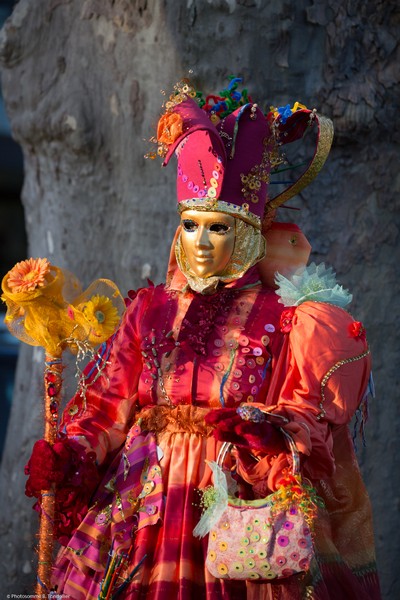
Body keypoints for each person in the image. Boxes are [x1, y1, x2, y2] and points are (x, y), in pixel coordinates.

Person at [25, 78, 381, 599]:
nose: (200, 241)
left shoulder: (285, 316)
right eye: (191, 225)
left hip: (231, 499)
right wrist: (72, 452)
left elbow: (304, 413)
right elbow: (107, 407)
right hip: (139, 505)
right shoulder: (148, 311)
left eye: (218, 228)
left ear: (247, 236)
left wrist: (266, 431)